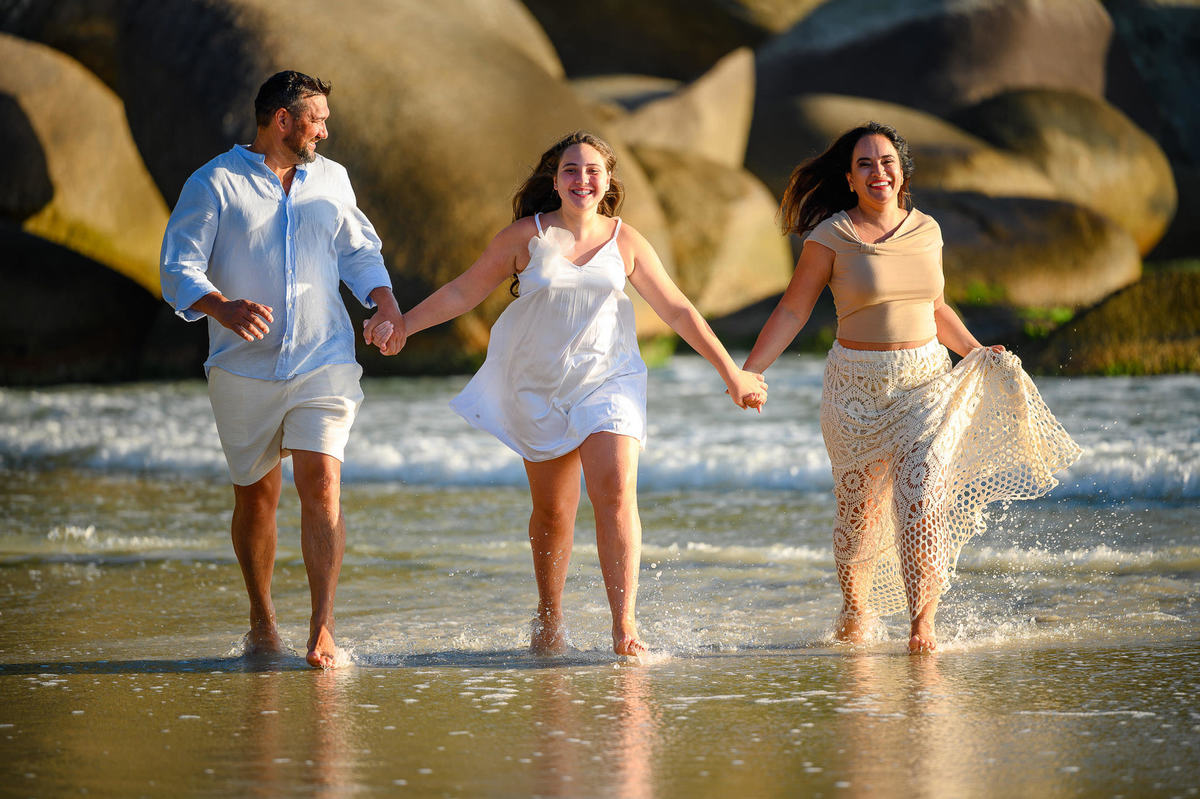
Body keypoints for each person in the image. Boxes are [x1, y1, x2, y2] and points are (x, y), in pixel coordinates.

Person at [389, 131, 766, 656]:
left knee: (614, 493)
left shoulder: (626, 241)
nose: (581, 180)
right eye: (571, 170)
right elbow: (463, 290)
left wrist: (732, 373)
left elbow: (677, 309)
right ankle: (550, 614)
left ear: (608, 180)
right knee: (553, 513)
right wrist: (404, 326)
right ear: (555, 178)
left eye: (592, 171)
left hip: (610, 378)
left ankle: (624, 626)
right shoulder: (526, 237)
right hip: (538, 385)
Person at [742, 122, 1081, 653]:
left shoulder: (928, 230)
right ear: (850, 179)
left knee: (921, 492)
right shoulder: (830, 236)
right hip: (855, 389)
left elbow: (936, 307)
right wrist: (752, 371)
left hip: (924, 382)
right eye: (865, 165)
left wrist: (973, 350)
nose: (878, 172)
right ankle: (856, 609)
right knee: (859, 516)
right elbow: (792, 309)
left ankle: (922, 625)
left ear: (901, 172)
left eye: (886, 163)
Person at [159, 70, 405, 669]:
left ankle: (322, 629)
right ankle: (262, 618)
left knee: (321, 483)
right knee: (256, 496)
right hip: (243, 368)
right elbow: (176, 268)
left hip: (325, 358)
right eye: (315, 118)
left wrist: (385, 301)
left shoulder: (333, 179)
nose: (325, 129)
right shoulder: (214, 182)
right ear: (282, 120)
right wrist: (222, 306)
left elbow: (358, 250)